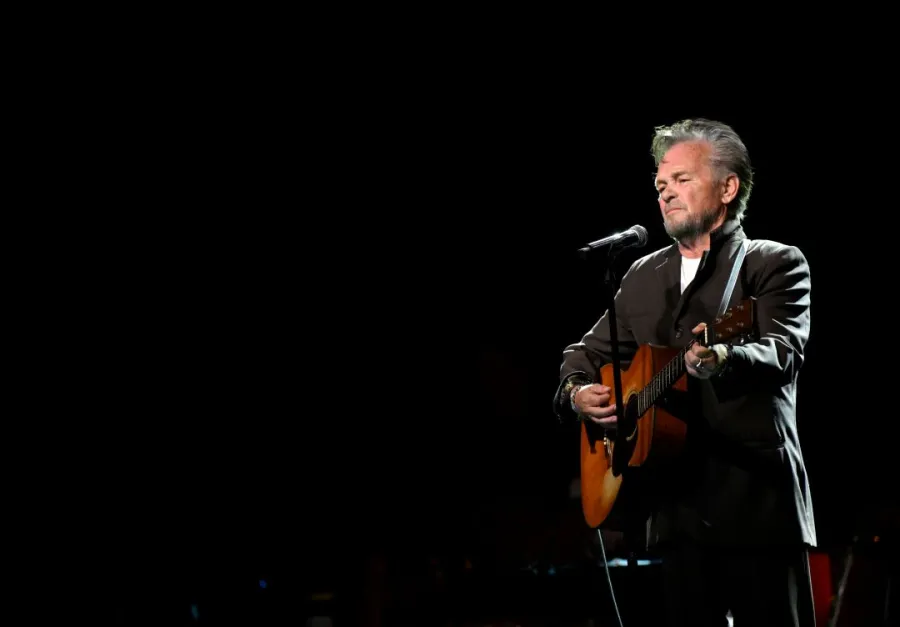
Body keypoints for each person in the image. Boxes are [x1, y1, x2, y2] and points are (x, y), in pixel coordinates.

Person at [552, 118, 817, 627]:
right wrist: (578, 392)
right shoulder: (641, 275)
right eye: (660, 184)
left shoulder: (773, 264)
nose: (664, 193)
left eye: (680, 180)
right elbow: (580, 356)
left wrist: (724, 358)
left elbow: (784, 351)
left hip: (755, 506)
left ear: (727, 187)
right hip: (672, 513)